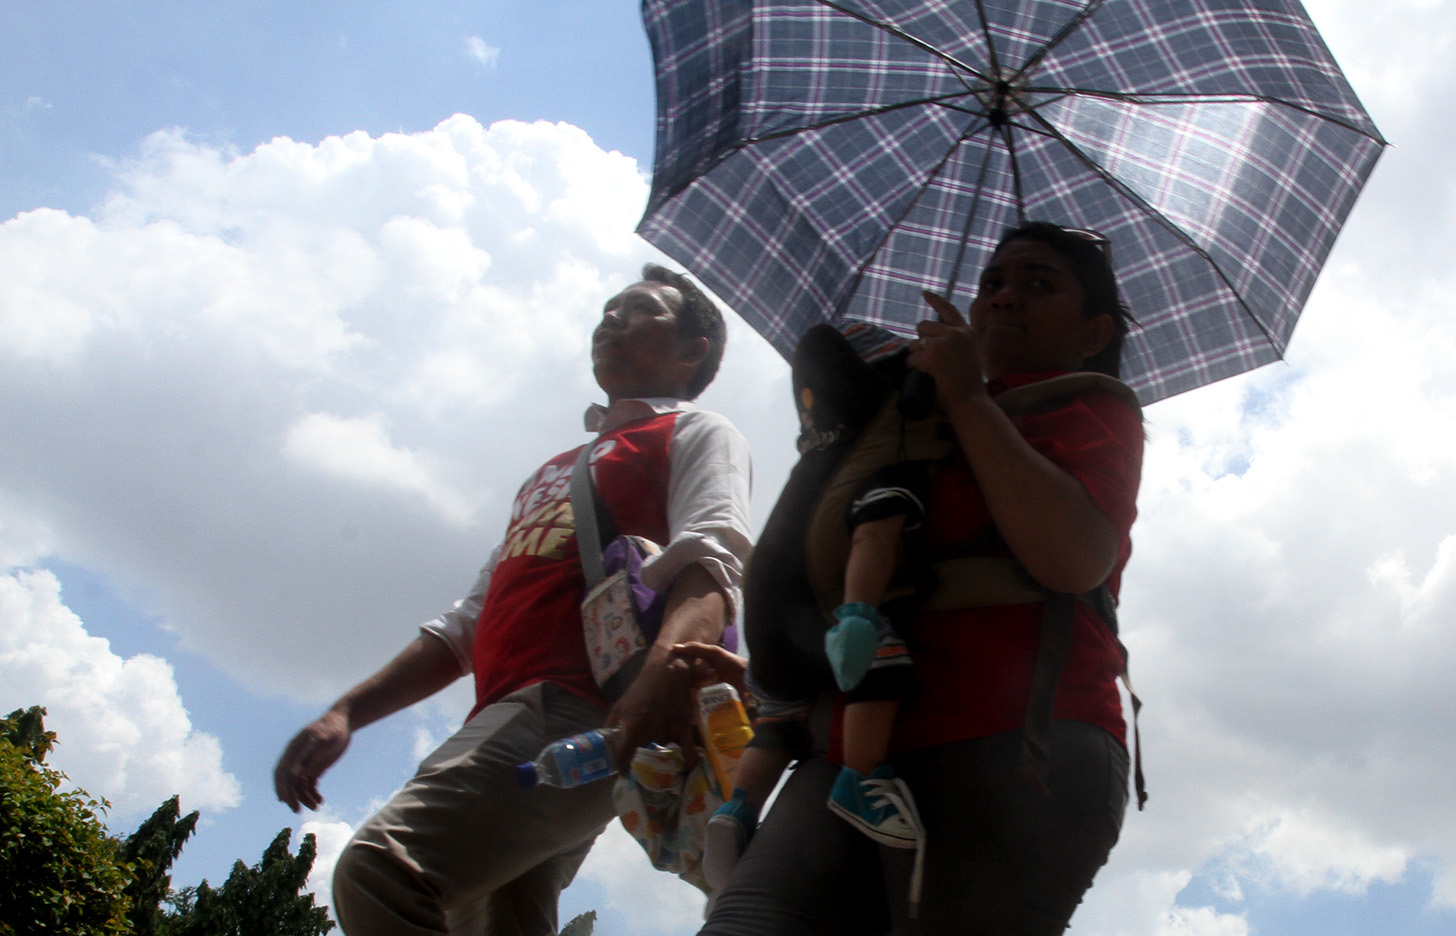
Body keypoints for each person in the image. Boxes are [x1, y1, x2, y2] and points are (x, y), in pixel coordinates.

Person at [273, 263, 753, 936]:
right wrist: (348, 712)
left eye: (638, 310)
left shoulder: (697, 432)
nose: (609, 319)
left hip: (582, 710)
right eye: (608, 308)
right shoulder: (553, 471)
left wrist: (657, 679)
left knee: (382, 870)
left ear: (690, 350)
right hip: (523, 715)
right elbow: (467, 625)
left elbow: (711, 562)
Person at [699, 221, 1143, 936]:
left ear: (1093, 334)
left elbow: (1072, 557)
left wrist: (970, 399)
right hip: (851, 747)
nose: (1003, 298)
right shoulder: (906, 410)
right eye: (992, 283)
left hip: (1019, 749)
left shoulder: (1092, 406)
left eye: (1038, 285)